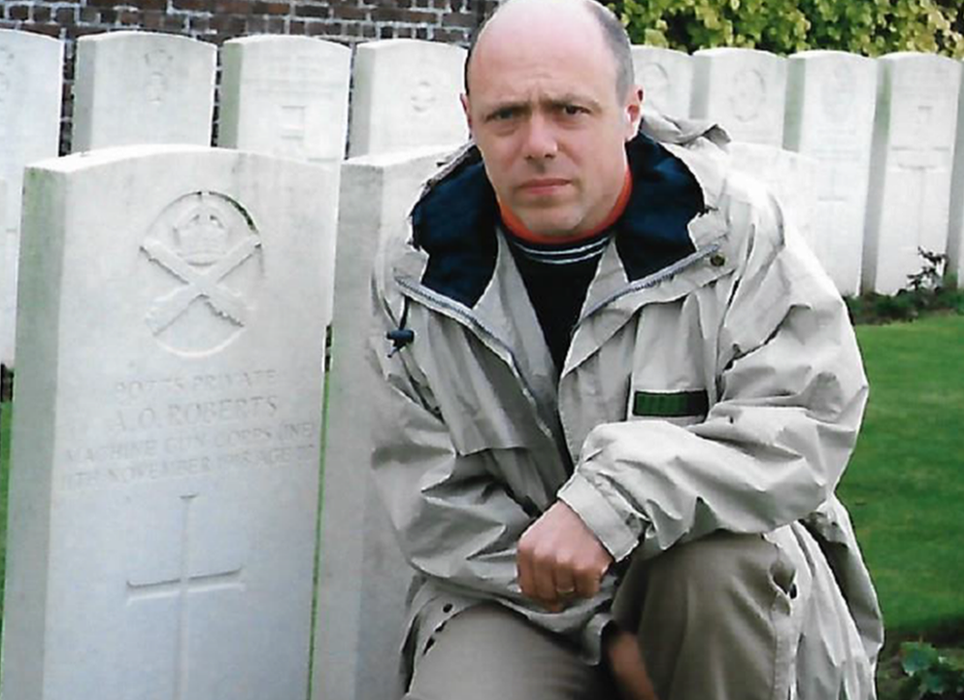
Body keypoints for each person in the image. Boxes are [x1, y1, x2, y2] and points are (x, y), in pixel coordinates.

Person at [368, 0, 884, 698]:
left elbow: (805, 424)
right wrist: (609, 634)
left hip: (703, 573)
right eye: (506, 115)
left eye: (570, 110)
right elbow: (435, 500)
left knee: (715, 568)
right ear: (470, 120)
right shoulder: (418, 275)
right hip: (519, 596)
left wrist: (611, 503)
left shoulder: (730, 235)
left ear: (631, 109)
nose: (539, 142)